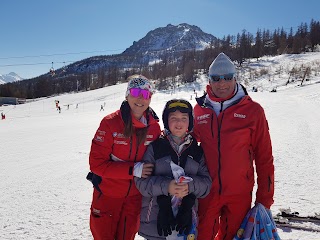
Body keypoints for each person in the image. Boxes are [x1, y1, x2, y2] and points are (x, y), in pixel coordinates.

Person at [193, 52, 274, 240]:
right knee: (202, 236)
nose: (222, 83)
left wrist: (265, 199)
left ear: (235, 78)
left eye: (227, 77)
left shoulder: (253, 111)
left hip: (239, 193)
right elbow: (185, 144)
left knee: (234, 236)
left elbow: (264, 158)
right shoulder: (199, 110)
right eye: (216, 78)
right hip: (207, 192)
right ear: (209, 80)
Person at [87, 75, 161, 240]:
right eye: (135, 92)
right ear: (127, 95)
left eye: (146, 94)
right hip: (107, 196)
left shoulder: (154, 128)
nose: (140, 98)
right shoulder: (110, 123)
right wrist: (133, 169)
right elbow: (96, 164)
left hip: (134, 199)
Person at [135, 99, 212, 240]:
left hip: (185, 222)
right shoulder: (155, 147)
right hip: (155, 223)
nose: (179, 123)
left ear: (190, 122)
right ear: (166, 121)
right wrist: (167, 186)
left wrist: (189, 187)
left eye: (184, 118)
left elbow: (206, 184)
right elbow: (141, 183)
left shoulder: (196, 150)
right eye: (174, 118)